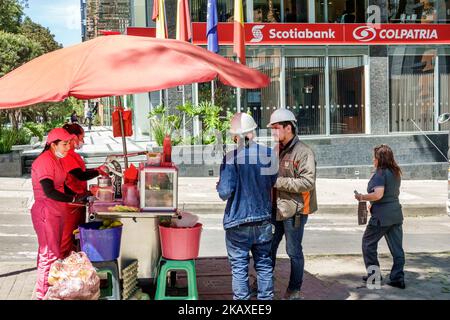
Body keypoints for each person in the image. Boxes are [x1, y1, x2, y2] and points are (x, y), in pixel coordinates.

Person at [217, 113, 278, 300]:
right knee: (264, 266)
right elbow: (272, 181)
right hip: (263, 220)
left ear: (235, 136)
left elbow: (224, 192)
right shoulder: (269, 154)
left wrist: (220, 185)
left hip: (237, 222)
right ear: (253, 132)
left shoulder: (230, 158)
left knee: (239, 268)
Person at [30, 128, 92, 299]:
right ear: (53, 144)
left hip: (56, 210)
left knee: (55, 253)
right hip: (45, 211)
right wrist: (72, 197)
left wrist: (78, 197)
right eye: (65, 144)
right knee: (49, 255)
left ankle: (51, 291)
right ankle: (42, 295)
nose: (67, 148)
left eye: (69, 143)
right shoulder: (44, 161)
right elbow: (49, 191)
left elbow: (61, 186)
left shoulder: (57, 160)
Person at [267, 108, 317, 300]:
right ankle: (264, 283)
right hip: (275, 208)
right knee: (268, 247)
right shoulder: (276, 150)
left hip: (294, 211)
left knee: (293, 251)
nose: (273, 132)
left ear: (288, 128)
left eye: (276, 128)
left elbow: (307, 182)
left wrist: (278, 182)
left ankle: (294, 291)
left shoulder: (303, 152)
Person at [354, 144, 406, 289]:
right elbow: (387, 194)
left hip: (381, 218)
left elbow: (378, 194)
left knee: (368, 244)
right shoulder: (395, 172)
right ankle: (397, 278)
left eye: (375, 157)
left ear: (380, 158)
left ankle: (374, 277)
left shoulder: (380, 174)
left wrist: (362, 197)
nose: (373, 159)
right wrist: (374, 203)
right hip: (395, 214)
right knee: (397, 249)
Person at [59, 123, 107, 258]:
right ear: (73, 137)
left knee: (75, 238)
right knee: (67, 239)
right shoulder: (67, 155)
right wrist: (99, 171)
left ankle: (72, 267)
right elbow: (80, 175)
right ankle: (62, 268)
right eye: (81, 137)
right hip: (70, 204)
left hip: (78, 201)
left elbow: (82, 173)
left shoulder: (73, 155)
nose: (83, 141)